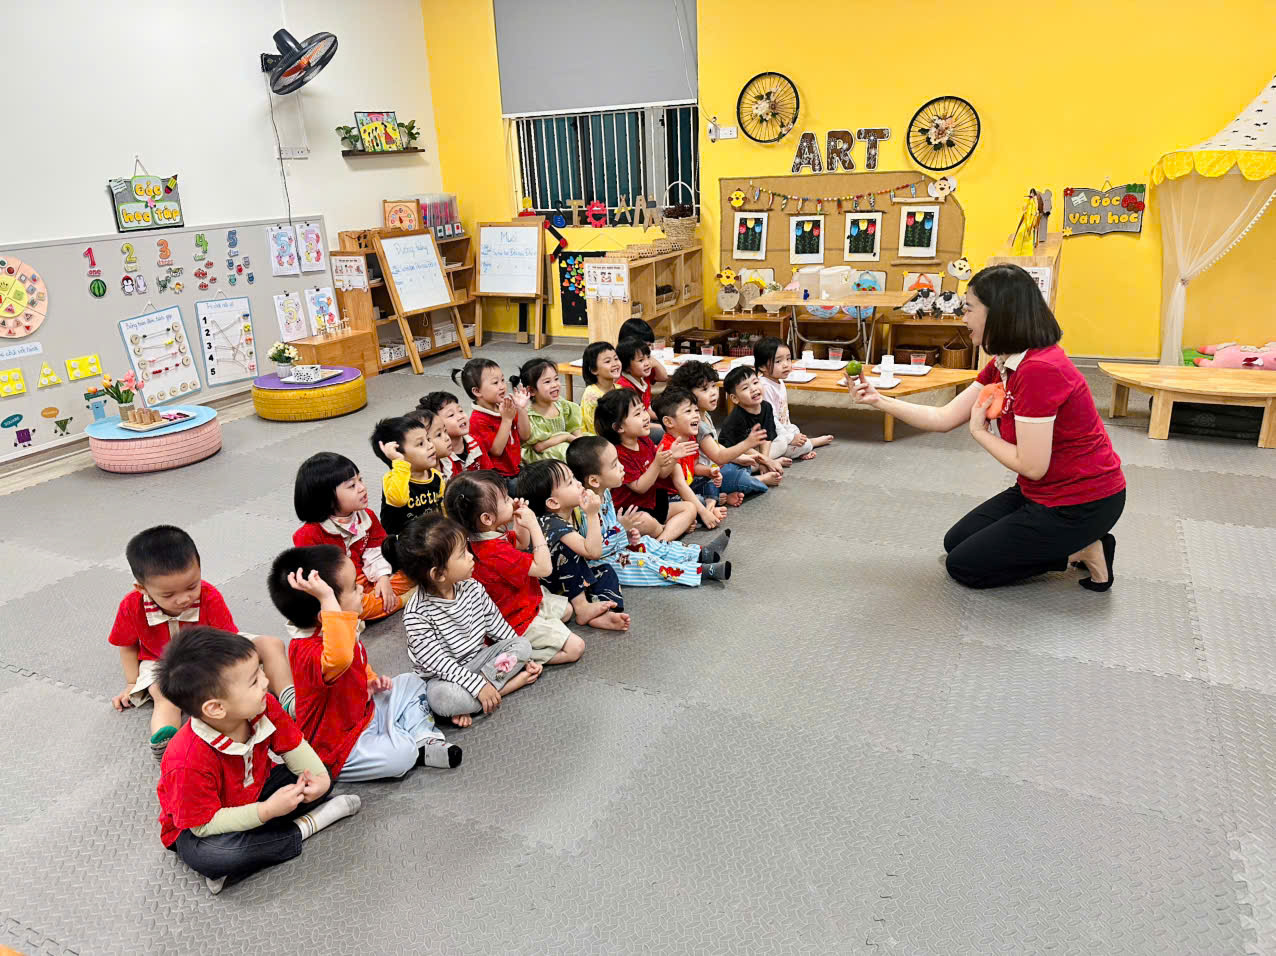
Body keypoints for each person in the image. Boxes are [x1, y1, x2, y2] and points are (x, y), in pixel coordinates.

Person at [851, 263, 1125, 590]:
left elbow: (1033, 466)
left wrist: (979, 433)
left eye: (968, 309)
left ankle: (1083, 548)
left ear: (1000, 314)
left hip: (1081, 503)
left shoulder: (1040, 370)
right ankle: (1068, 544)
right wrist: (879, 400)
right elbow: (943, 418)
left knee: (964, 567)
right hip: (1038, 492)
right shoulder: (1005, 362)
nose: (963, 318)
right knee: (956, 542)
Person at [155, 627, 361, 895]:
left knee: (325, 765)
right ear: (216, 708)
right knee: (214, 855)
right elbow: (203, 825)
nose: (266, 682)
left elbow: (294, 746)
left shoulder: (262, 706)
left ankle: (251, 854)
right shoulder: (185, 760)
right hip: (204, 826)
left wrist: (319, 781)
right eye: (253, 681)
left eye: (261, 671)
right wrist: (267, 811)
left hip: (257, 791)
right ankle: (307, 826)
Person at [267, 545, 460, 781]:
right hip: (340, 745)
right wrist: (327, 597)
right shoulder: (309, 651)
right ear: (326, 615)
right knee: (401, 757)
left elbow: (356, 662)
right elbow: (342, 657)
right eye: (352, 588)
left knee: (412, 682)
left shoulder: (339, 630)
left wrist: (370, 682)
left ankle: (422, 738)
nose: (361, 588)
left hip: (365, 710)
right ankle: (409, 740)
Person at [108, 525, 294, 761]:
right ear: (142, 588)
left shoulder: (208, 595)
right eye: (168, 595)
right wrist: (131, 682)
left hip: (213, 652)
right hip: (163, 661)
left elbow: (228, 640)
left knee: (272, 644)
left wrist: (238, 674)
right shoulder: (131, 605)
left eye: (191, 586)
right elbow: (127, 645)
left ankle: (291, 700)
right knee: (163, 694)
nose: (184, 598)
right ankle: (169, 746)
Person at [398, 513, 542, 728]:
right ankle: (504, 688)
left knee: (522, 645)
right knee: (440, 698)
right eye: (462, 554)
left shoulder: (472, 587)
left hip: (479, 661)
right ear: (438, 574)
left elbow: (496, 625)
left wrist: (524, 660)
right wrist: (477, 686)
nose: (471, 557)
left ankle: (476, 702)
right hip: (443, 677)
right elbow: (440, 664)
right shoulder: (417, 615)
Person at [444, 471, 586, 666]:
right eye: (505, 499)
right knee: (576, 648)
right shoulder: (493, 551)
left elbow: (520, 543)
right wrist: (534, 525)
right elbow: (544, 569)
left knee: (568, 610)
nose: (511, 500)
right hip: (515, 619)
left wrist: (521, 524)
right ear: (487, 518)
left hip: (523, 601)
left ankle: (534, 638)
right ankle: (518, 657)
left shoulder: (488, 534)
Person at [566, 437, 731, 585]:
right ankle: (702, 572)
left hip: (616, 546)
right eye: (615, 465)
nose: (622, 468)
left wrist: (627, 535)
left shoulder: (604, 492)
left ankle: (701, 554)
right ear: (594, 480)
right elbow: (596, 550)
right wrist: (621, 529)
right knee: (645, 561)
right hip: (602, 563)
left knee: (647, 543)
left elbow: (612, 531)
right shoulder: (586, 509)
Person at [292, 452, 415, 620]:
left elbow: (377, 550)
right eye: (351, 486)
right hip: (342, 590)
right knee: (353, 607)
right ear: (326, 498)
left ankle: (385, 599)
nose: (362, 487)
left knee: (414, 571)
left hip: (368, 577)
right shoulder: (309, 534)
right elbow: (318, 581)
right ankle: (403, 600)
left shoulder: (367, 516)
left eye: (360, 480)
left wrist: (383, 578)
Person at [518, 458, 630, 630]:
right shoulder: (552, 522)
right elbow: (592, 552)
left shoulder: (570, 512)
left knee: (606, 570)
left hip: (570, 581)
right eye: (570, 482)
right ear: (553, 502)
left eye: (575, 478)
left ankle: (603, 611)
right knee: (566, 550)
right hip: (549, 586)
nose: (579, 484)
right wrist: (592, 515)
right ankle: (582, 607)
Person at [594, 387, 697, 541]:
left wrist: (673, 457)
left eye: (643, 410)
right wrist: (657, 463)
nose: (645, 417)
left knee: (690, 508)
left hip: (653, 503)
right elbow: (640, 487)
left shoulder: (643, 440)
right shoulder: (618, 453)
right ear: (619, 427)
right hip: (632, 510)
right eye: (637, 414)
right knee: (645, 521)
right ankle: (664, 537)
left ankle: (661, 539)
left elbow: (661, 474)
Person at [669, 359, 781, 502]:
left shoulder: (704, 415)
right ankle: (760, 479)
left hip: (716, 468)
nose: (713, 393)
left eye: (714, 386)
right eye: (705, 389)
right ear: (687, 395)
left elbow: (716, 445)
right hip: (704, 477)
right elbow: (719, 456)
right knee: (740, 478)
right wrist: (747, 443)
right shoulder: (697, 424)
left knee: (745, 463)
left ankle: (725, 493)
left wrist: (740, 458)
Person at [370, 414, 449, 569]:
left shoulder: (437, 478)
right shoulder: (392, 479)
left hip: (429, 539)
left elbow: (443, 509)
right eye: (420, 444)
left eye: (428, 439)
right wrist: (399, 463)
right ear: (397, 453)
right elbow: (399, 499)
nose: (430, 446)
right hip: (402, 547)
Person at [653, 387, 728, 529]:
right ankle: (707, 510)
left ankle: (710, 506)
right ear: (669, 422)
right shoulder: (669, 446)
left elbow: (693, 467)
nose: (696, 416)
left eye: (695, 410)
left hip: (689, 485)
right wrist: (703, 512)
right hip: (672, 496)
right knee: (696, 501)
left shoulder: (690, 438)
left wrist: (708, 472)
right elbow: (680, 484)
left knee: (710, 482)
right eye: (688, 411)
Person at [450, 358, 531, 488]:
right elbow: (496, 450)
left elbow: (525, 436)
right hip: (500, 478)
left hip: (517, 469)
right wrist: (506, 420)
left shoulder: (505, 407)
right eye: (495, 383)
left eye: (503, 380)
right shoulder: (477, 420)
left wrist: (521, 409)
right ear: (477, 391)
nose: (502, 386)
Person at [753, 336, 833, 460]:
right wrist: (790, 438)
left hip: (781, 429)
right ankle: (811, 444)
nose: (786, 365)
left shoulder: (779, 382)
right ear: (763, 366)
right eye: (778, 361)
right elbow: (771, 420)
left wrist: (791, 434)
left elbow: (784, 413)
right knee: (797, 444)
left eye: (788, 359)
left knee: (795, 429)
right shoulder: (764, 386)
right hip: (769, 435)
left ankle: (802, 446)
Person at [718, 366, 793, 470]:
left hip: (756, 450)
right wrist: (767, 461)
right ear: (735, 398)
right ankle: (770, 462)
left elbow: (767, 438)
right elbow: (742, 448)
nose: (753, 389)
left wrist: (765, 461)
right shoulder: (735, 418)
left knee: (782, 442)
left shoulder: (766, 407)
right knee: (740, 465)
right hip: (736, 452)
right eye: (745, 388)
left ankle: (764, 464)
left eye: (755, 382)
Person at [516, 357, 584, 463]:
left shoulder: (561, 404)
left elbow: (574, 427)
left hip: (561, 445)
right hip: (543, 456)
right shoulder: (531, 415)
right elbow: (539, 447)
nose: (555, 385)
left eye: (556, 379)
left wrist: (582, 443)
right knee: (565, 451)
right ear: (532, 390)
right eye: (547, 382)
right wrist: (566, 437)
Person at [416, 391, 482, 478]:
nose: (460, 416)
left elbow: (488, 473)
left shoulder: (475, 441)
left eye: (460, 410)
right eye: (451, 415)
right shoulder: (439, 459)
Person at [579, 341, 622, 435]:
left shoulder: (619, 388)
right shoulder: (592, 397)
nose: (615, 363)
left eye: (616, 358)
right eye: (607, 361)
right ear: (594, 370)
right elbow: (595, 431)